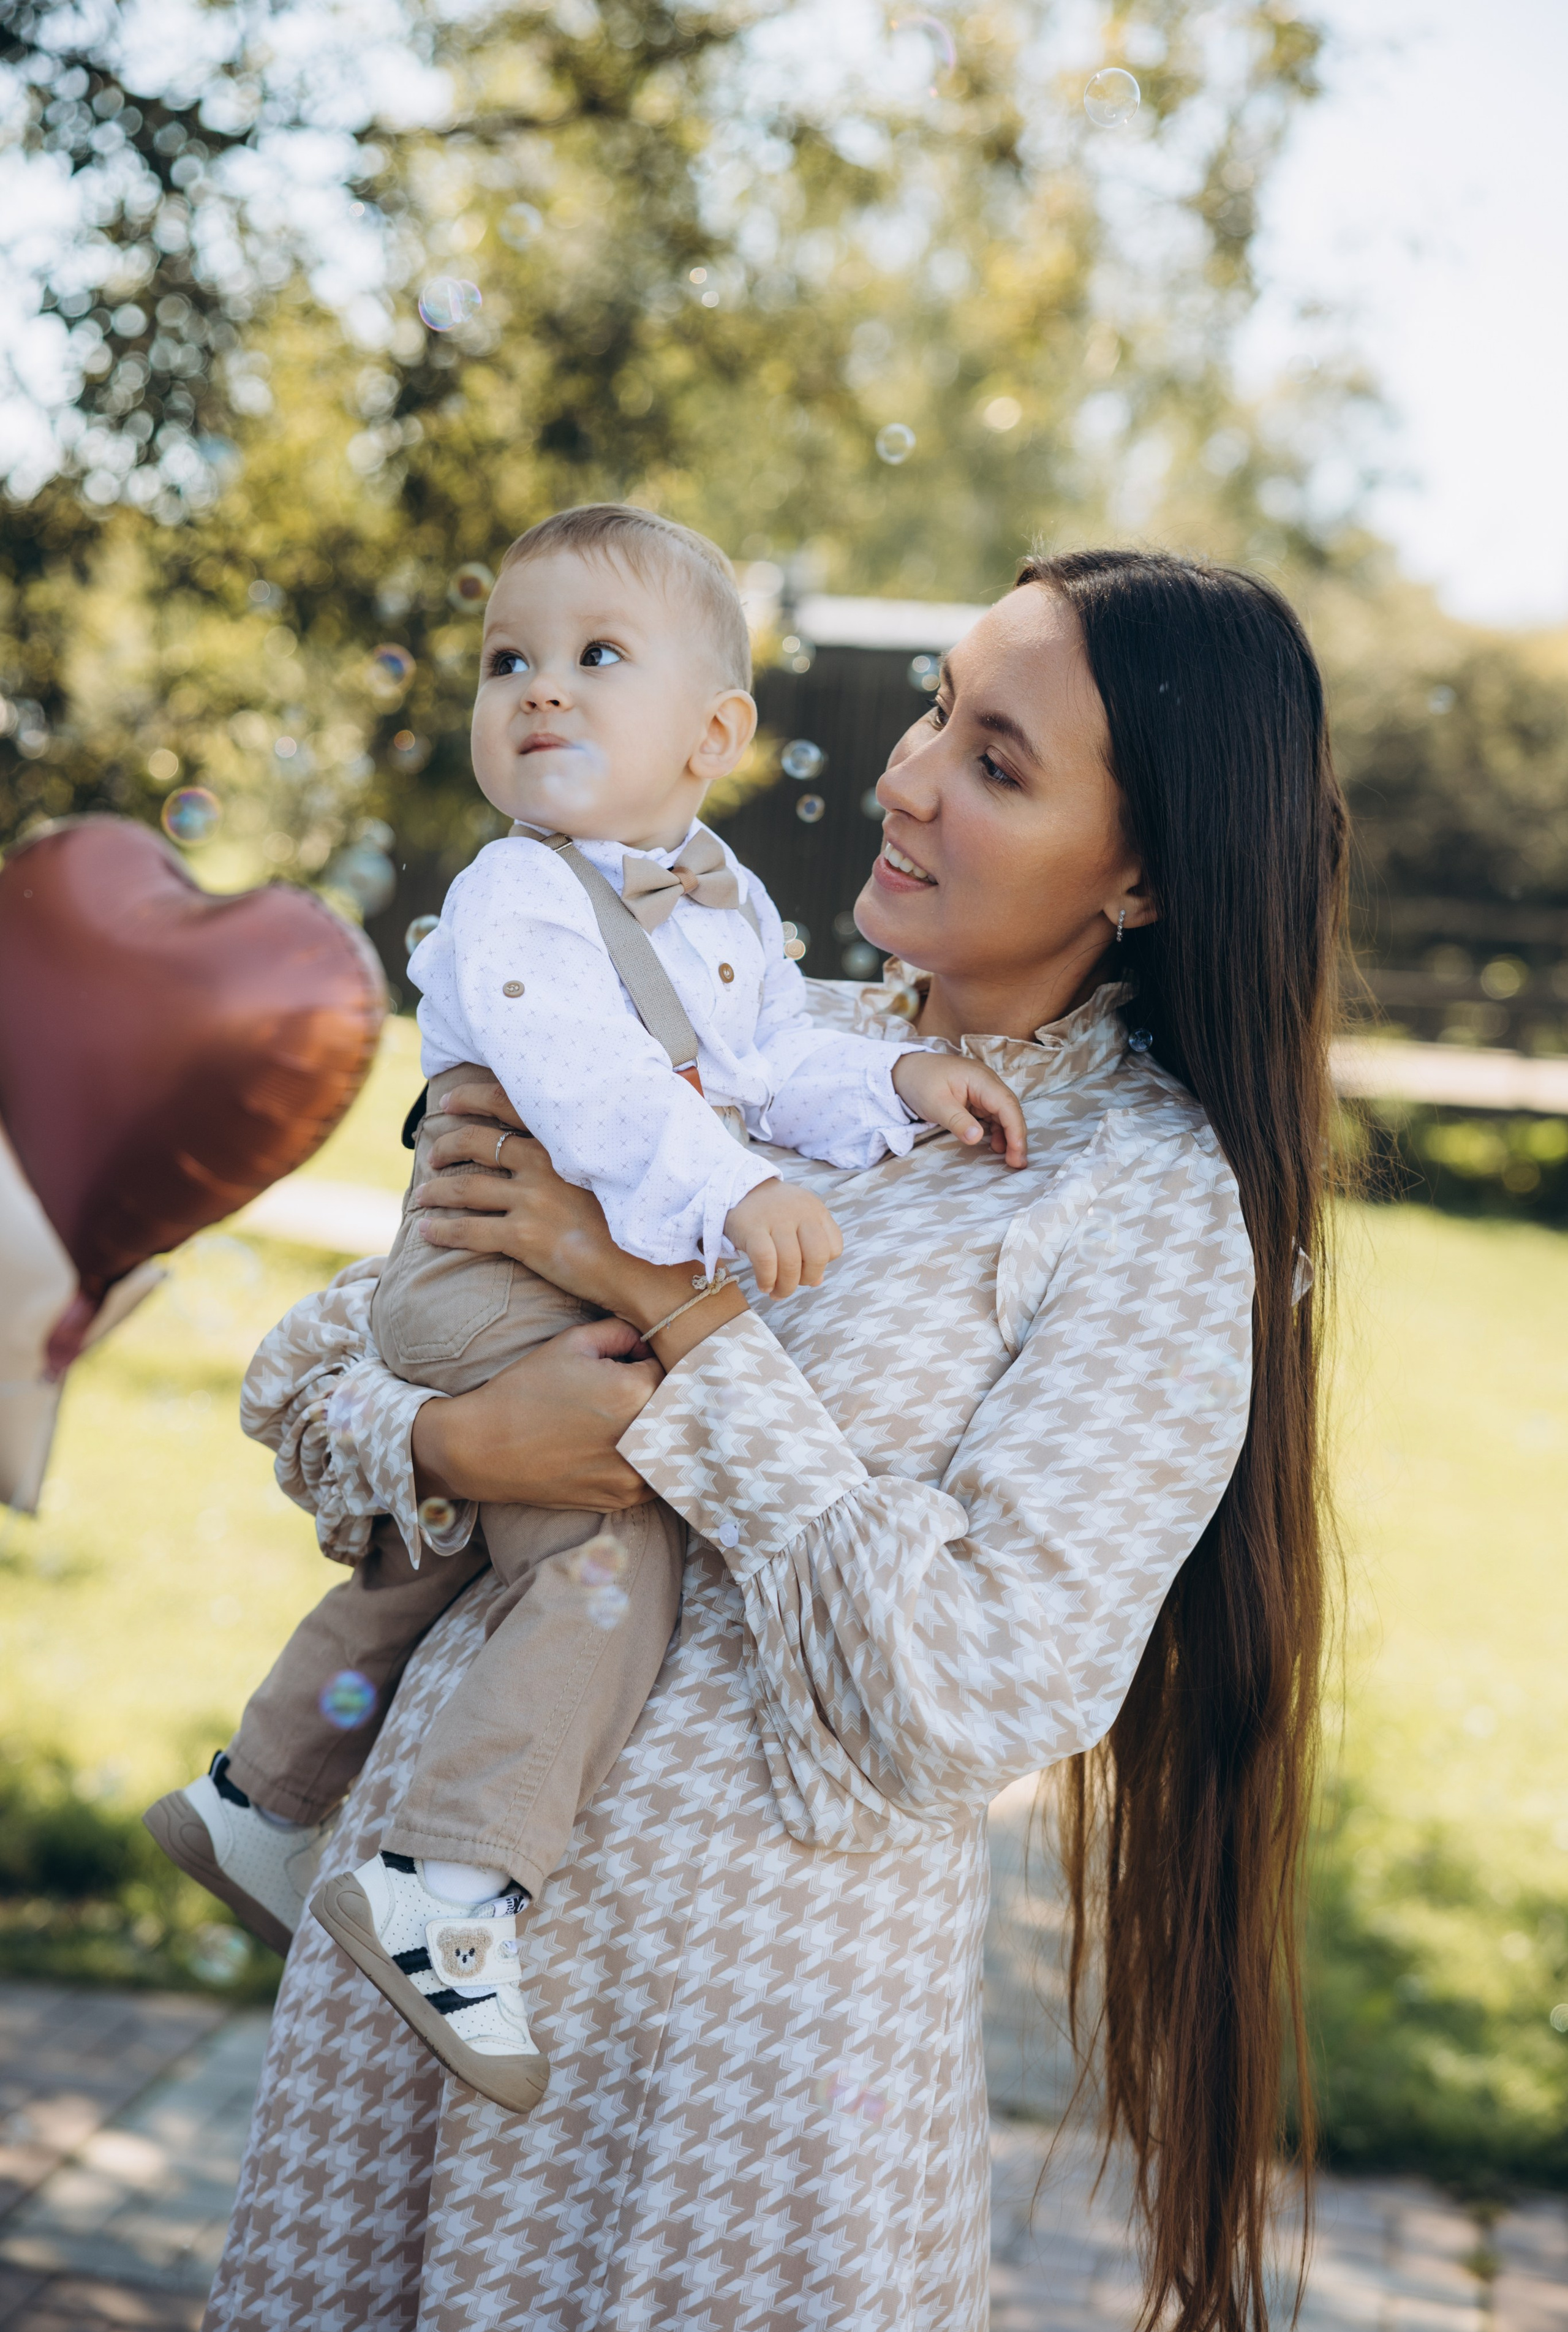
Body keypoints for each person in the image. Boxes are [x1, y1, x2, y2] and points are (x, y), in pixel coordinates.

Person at [198, 548, 1345, 2332]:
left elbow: (973, 1684)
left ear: (1143, 871)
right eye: (933, 711)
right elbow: (312, 1371)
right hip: (409, 2012)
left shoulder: (1150, 1210)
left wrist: (672, 1317)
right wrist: (463, 1432)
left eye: (999, 760)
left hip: (722, 2091)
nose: (906, 777)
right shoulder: (758, 1049)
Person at [144, 506, 1021, 2115]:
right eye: (508, 663)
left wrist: (898, 1078)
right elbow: (589, 1083)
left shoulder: (725, 907)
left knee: (446, 1549)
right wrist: (723, 1202)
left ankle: (257, 1800)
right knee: (609, 1555)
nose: (539, 690)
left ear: (715, 736)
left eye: (594, 659)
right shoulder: (517, 893)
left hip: (538, 1275)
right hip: (489, 1275)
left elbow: (773, 1068)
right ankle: (449, 1881)